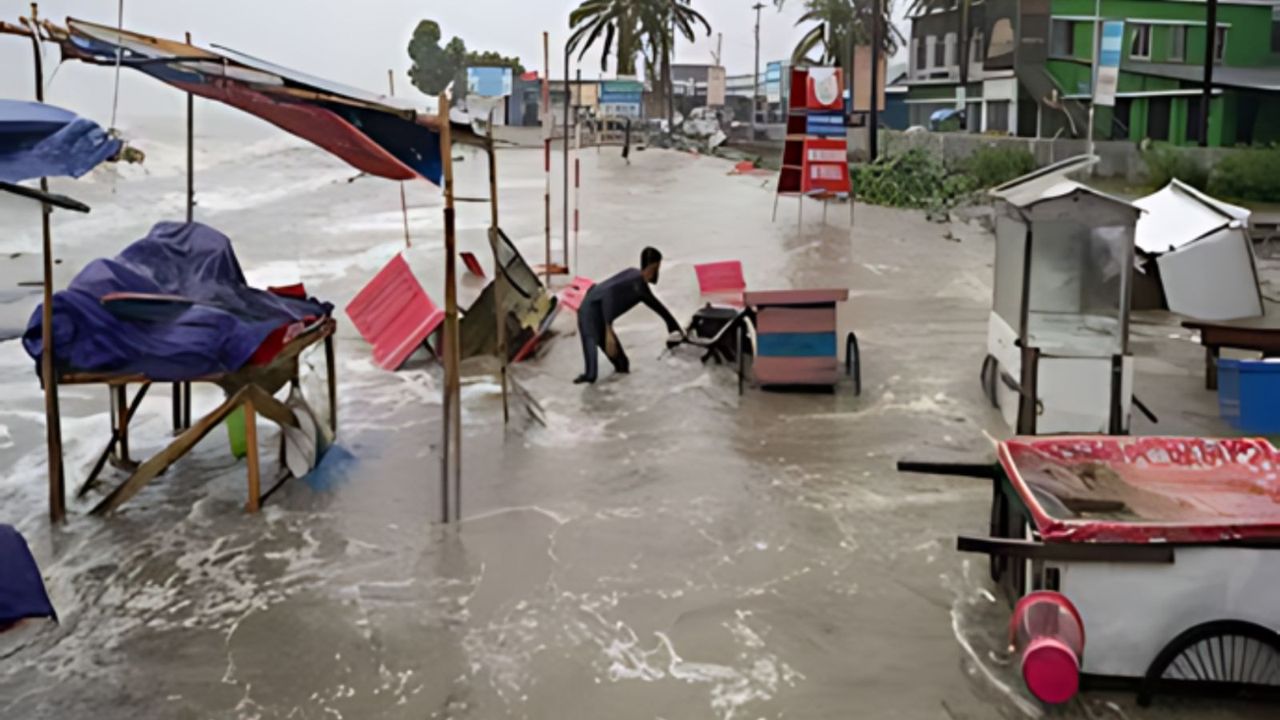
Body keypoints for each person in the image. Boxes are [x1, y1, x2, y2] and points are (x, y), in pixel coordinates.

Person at [575, 247, 682, 384]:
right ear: (652, 266)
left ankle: (613, 394)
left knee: (623, 364)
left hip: (600, 313)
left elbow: (657, 306)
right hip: (589, 313)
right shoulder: (635, 282)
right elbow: (608, 295)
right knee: (591, 375)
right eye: (656, 267)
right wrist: (608, 330)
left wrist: (675, 329)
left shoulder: (639, 283)